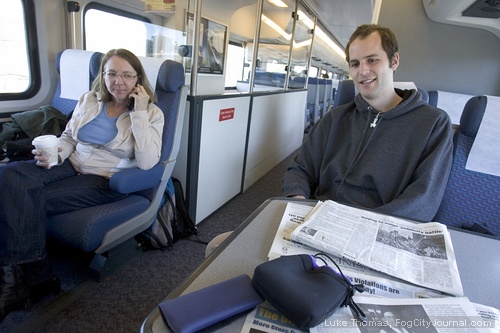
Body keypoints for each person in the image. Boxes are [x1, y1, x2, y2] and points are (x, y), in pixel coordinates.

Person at [0, 48, 164, 321]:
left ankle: (19, 281)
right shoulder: (89, 98)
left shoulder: (152, 113)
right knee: (8, 176)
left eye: (126, 75)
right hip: (71, 163)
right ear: (103, 75)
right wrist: (57, 153)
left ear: (138, 79)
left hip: (104, 178)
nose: (118, 81)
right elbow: (69, 137)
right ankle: (35, 280)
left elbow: (148, 162)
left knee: (22, 198)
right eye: (111, 73)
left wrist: (140, 113)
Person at [282, 24, 453, 222]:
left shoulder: (433, 124)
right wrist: (298, 202)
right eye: (355, 64)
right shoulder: (334, 119)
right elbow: (300, 169)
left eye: (372, 60)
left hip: (381, 228)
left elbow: (423, 200)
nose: (363, 71)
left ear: (394, 61)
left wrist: (365, 226)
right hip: (319, 219)